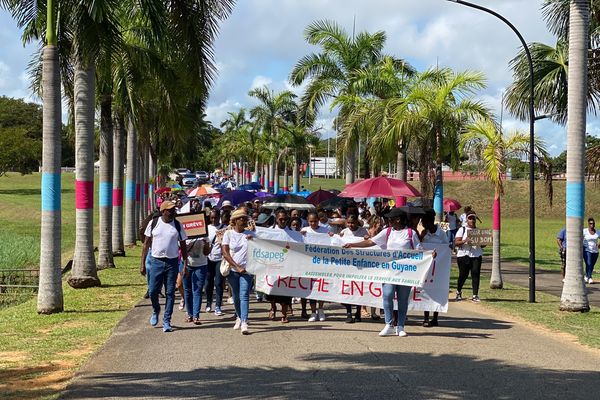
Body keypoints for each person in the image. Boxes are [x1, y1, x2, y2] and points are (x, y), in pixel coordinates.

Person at [344, 209, 421, 337]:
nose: (388, 220)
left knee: (402, 300)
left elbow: (419, 250)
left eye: (391, 218)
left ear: (398, 219)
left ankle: (400, 326)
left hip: (405, 272)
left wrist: (430, 254)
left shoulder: (410, 233)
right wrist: (353, 245)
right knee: (388, 294)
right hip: (389, 271)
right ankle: (389, 324)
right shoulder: (388, 232)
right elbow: (370, 242)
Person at [141, 200, 188, 332]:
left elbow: (183, 245)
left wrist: (185, 264)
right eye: (170, 210)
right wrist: (143, 263)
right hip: (156, 261)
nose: (173, 212)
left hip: (172, 262)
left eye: (174, 210)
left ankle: (167, 320)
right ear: (163, 211)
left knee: (170, 292)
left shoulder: (178, 225)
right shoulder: (154, 223)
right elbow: (146, 244)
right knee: (152, 291)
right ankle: (156, 309)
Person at [222, 209, 255, 334]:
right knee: (236, 296)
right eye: (241, 218)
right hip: (233, 270)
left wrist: (254, 239)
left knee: (244, 294)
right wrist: (236, 266)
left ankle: (245, 322)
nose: (244, 220)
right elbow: (225, 252)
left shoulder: (250, 234)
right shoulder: (228, 234)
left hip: (247, 271)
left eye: (245, 218)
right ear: (235, 221)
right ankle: (239, 317)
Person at [420, 209, 449, 327]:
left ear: (431, 221)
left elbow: (446, 248)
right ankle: (426, 317)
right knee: (426, 290)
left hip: (438, 268)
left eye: (425, 222)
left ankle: (435, 317)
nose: (423, 225)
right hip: (427, 268)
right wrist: (421, 237)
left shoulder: (442, 234)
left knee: (436, 290)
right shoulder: (424, 234)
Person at [338, 215, 368, 323]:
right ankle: (349, 312)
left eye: (353, 223)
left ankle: (358, 311)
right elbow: (338, 244)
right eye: (349, 223)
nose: (351, 225)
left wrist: (366, 238)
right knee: (348, 288)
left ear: (357, 222)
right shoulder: (344, 232)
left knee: (359, 288)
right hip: (348, 265)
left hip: (360, 264)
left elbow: (369, 243)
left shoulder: (364, 231)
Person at [301, 212, 330, 322]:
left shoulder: (325, 231)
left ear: (318, 220)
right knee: (311, 288)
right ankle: (313, 312)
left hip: (322, 263)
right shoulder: (305, 230)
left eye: (315, 221)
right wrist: (299, 235)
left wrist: (334, 236)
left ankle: (321, 310)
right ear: (308, 221)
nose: (313, 223)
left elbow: (331, 242)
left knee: (321, 287)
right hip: (309, 264)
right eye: (311, 221)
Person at [454, 212, 485, 302]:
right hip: (464, 255)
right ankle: (458, 291)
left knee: (475, 274)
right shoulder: (462, 229)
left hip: (476, 254)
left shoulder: (478, 231)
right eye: (470, 218)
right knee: (463, 275)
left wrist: (481, 242)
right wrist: (464, 241)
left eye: (473, 218)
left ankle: (475, 295)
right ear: (467, 220)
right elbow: (456, 242)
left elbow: (483, 245)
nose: (472, 220)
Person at [182, 235, 210, 324]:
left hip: (201, 266)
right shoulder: (183, 234)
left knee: (197, 290)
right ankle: (190, 315)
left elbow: (206, 253)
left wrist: (205, 244)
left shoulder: (204, 236)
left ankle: (196, 316)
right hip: (186, 266)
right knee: (187, 290)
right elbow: (180, 251)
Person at [205, 209, 226, 316]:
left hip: (220, 259)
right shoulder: (206, 228)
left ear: (219, 217)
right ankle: (209, 303)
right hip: (208, 259)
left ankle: (218, 305)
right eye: (212, 218)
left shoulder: (224, 228)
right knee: (208, 283)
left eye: (216, 217)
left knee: (218, 283)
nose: (214, 220)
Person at [583, 217, 599, 284]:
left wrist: (599, 244)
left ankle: (586, 276)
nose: (592, 225)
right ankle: (590, 277)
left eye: (593, 223)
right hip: (587, 250)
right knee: (588, 263)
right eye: (590, 223)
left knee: (592, 265)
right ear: (588, 224)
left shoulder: (597, 232)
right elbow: (579, 237)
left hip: (595, 251)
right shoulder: (584, 231)